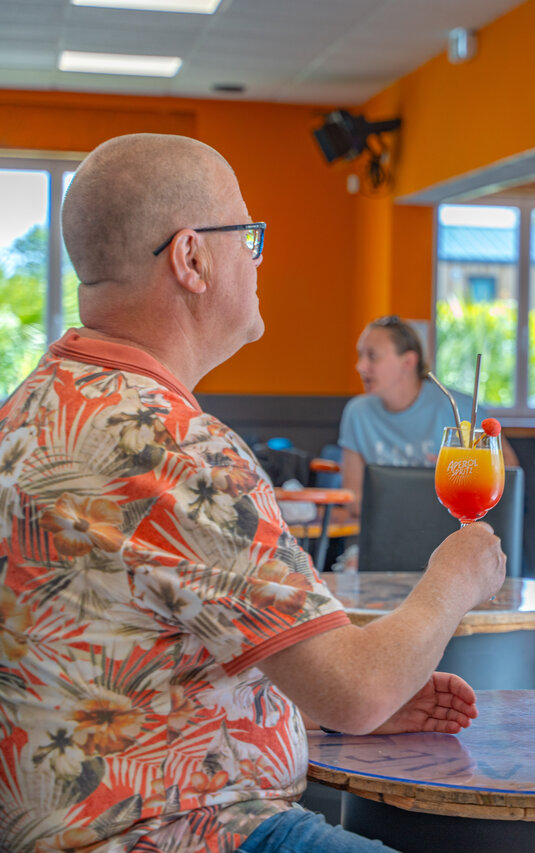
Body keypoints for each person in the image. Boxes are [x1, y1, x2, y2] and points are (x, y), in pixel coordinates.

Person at [0, 133, 507, 853]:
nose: (259, 258)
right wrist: (455, 578)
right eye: (250, 235)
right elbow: (359, 687)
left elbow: (125, 663)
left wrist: (308, 710)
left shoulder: (28, 410)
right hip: (180, 831)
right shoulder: (176, 447)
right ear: (192, 258)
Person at [338, 314, 517, 518]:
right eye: (360, 355)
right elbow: (353, 498)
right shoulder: (357, 413)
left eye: (372, 356)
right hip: (387, 533)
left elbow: (509, 475)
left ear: (408, 361)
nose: (360, 366)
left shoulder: (459, 409)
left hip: (452, 530)